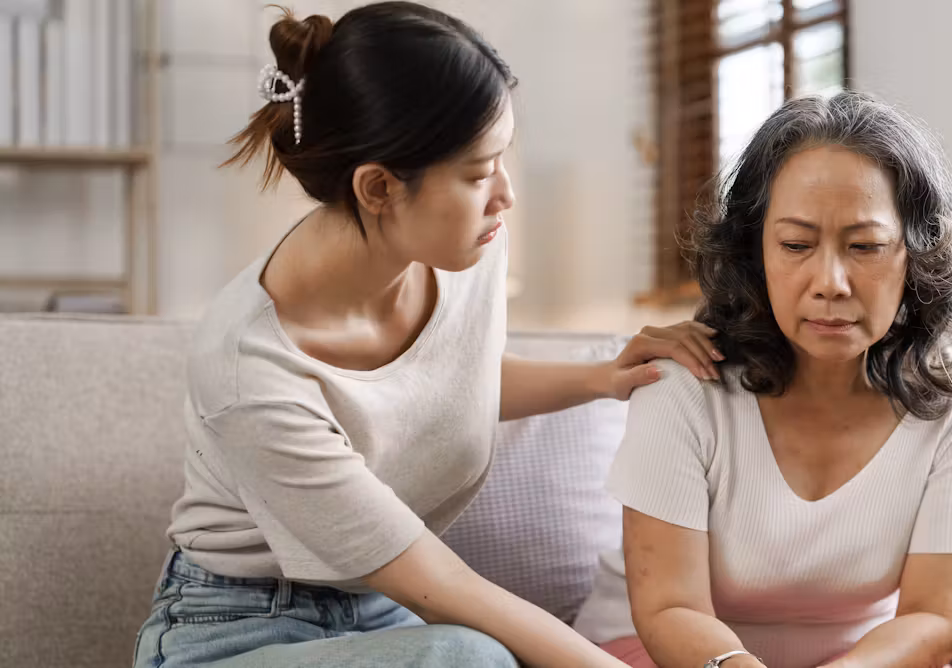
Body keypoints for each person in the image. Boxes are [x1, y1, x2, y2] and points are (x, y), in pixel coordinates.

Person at [131, 4, 723, 667]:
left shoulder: (461, 249)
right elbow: (442, 589)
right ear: (379, 187)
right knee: (472, 658)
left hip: (381, 618)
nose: (505, 195)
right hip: (237, 633)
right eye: (477, 173)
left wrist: (603, 377)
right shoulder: (251, 369)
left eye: (503, 161)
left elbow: (444, 379)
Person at [571, 92, 952, 668]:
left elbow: (934, 618)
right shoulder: (682, 383)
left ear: (916, 253)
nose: (830, 282)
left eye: (865, 246)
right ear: (755, 253)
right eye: (797, 245)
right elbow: (669, 609)